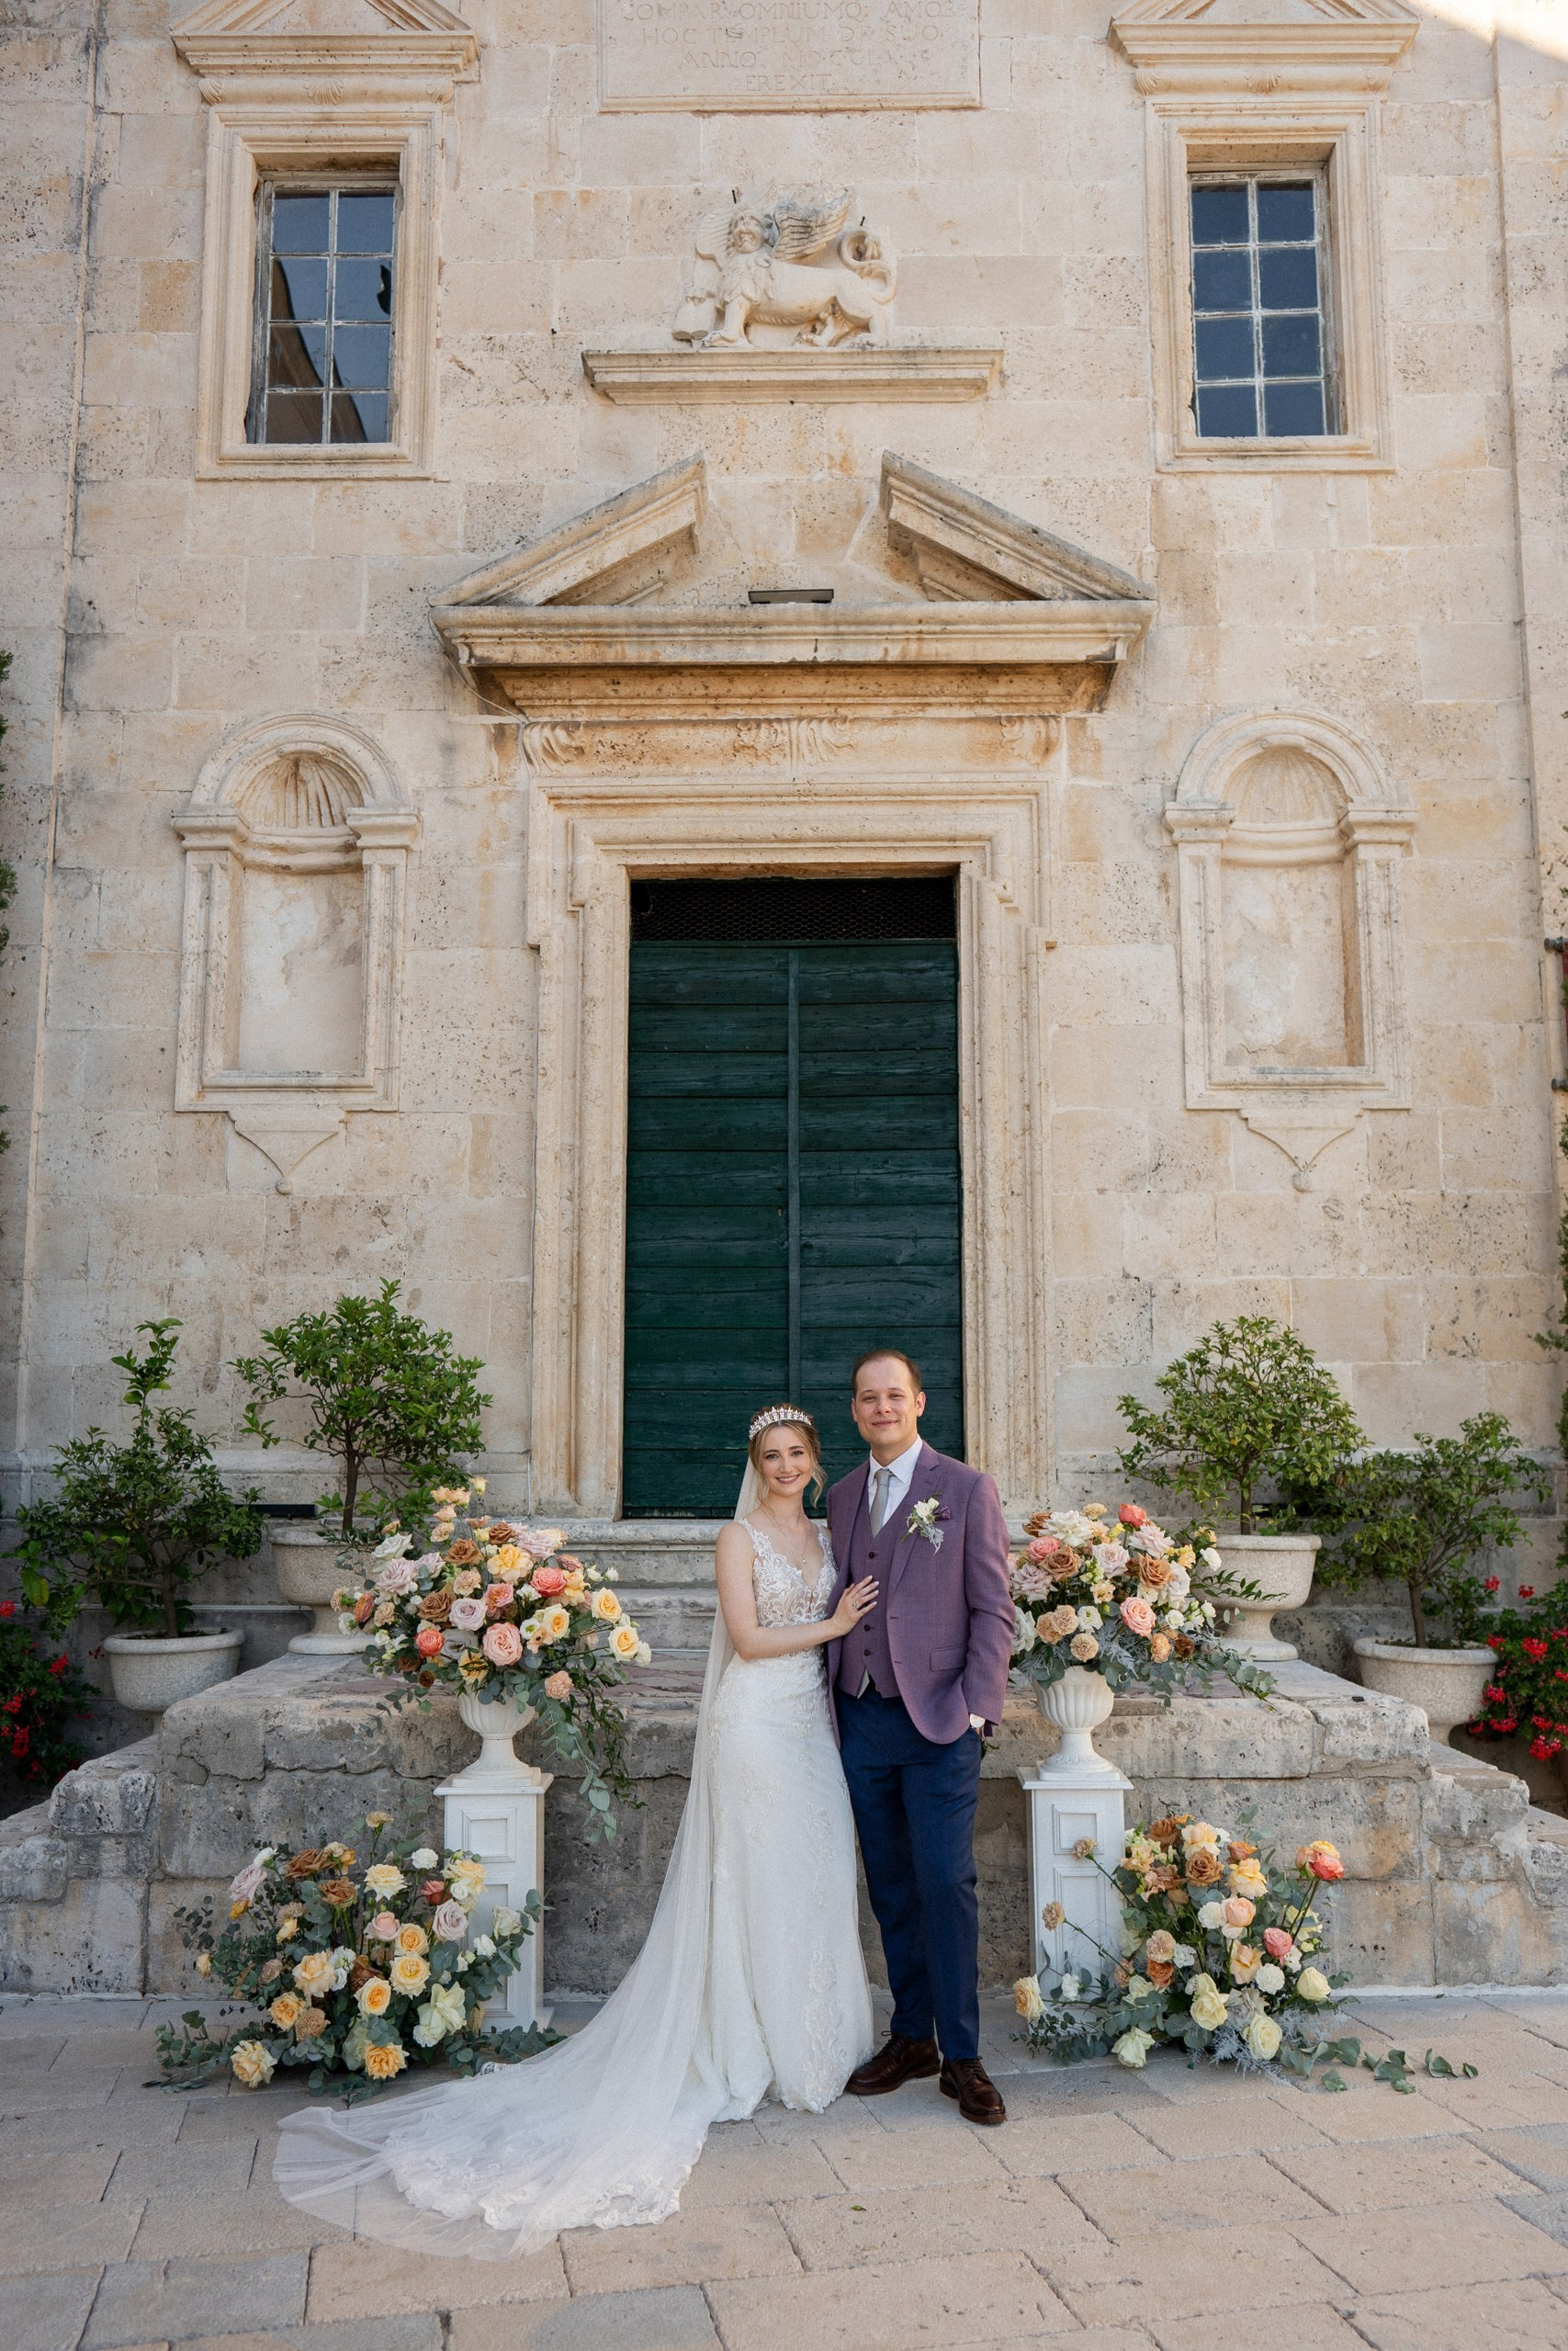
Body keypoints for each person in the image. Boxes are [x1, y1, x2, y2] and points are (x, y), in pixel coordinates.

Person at [271, 1406, 875, 2259]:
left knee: (808, 1872)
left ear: (816, 1463)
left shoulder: (827, 1533)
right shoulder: (737, 1537)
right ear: (757, 1462)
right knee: (755, 1872)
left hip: (811, 1726)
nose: (783, 1465)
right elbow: (745, 1638)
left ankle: (812, 2036)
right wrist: (835, 1624)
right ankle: (750, 2045)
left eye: (796, 1454)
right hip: (753, 1725)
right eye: (771, 1454)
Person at [825, 1349, 1016, 2126]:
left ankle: (962, 2053)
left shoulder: (965, 1488)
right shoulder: (839, 1496)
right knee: (892, 1885)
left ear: (919, 1401)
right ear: (854, 1409)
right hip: (861, 1715)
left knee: (946, 1883)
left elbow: (994, 1607)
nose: (881, 1408)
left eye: (893, 1395)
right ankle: (912, 2038)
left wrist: (976, 1707)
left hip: (939, 1718)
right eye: (867, 1397)